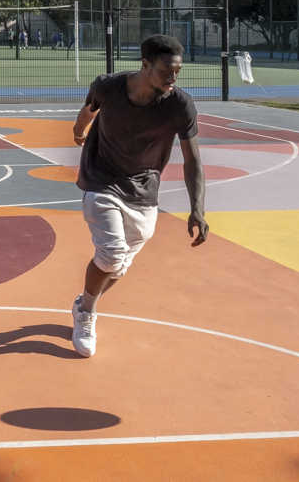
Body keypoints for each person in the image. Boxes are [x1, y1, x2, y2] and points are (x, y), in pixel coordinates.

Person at [68, 34, 207, 358]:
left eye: (177, 72)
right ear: (145, 65)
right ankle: (86, 315)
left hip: (143, 189)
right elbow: (88, 111)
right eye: (166, 71)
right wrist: (78, 132)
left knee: (118, 268)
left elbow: (192, 160)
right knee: (112, 254)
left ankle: (84, 302)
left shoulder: (179, 105)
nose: (173, 78)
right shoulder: (108, 87)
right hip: (100, 179)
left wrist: (197, 208)